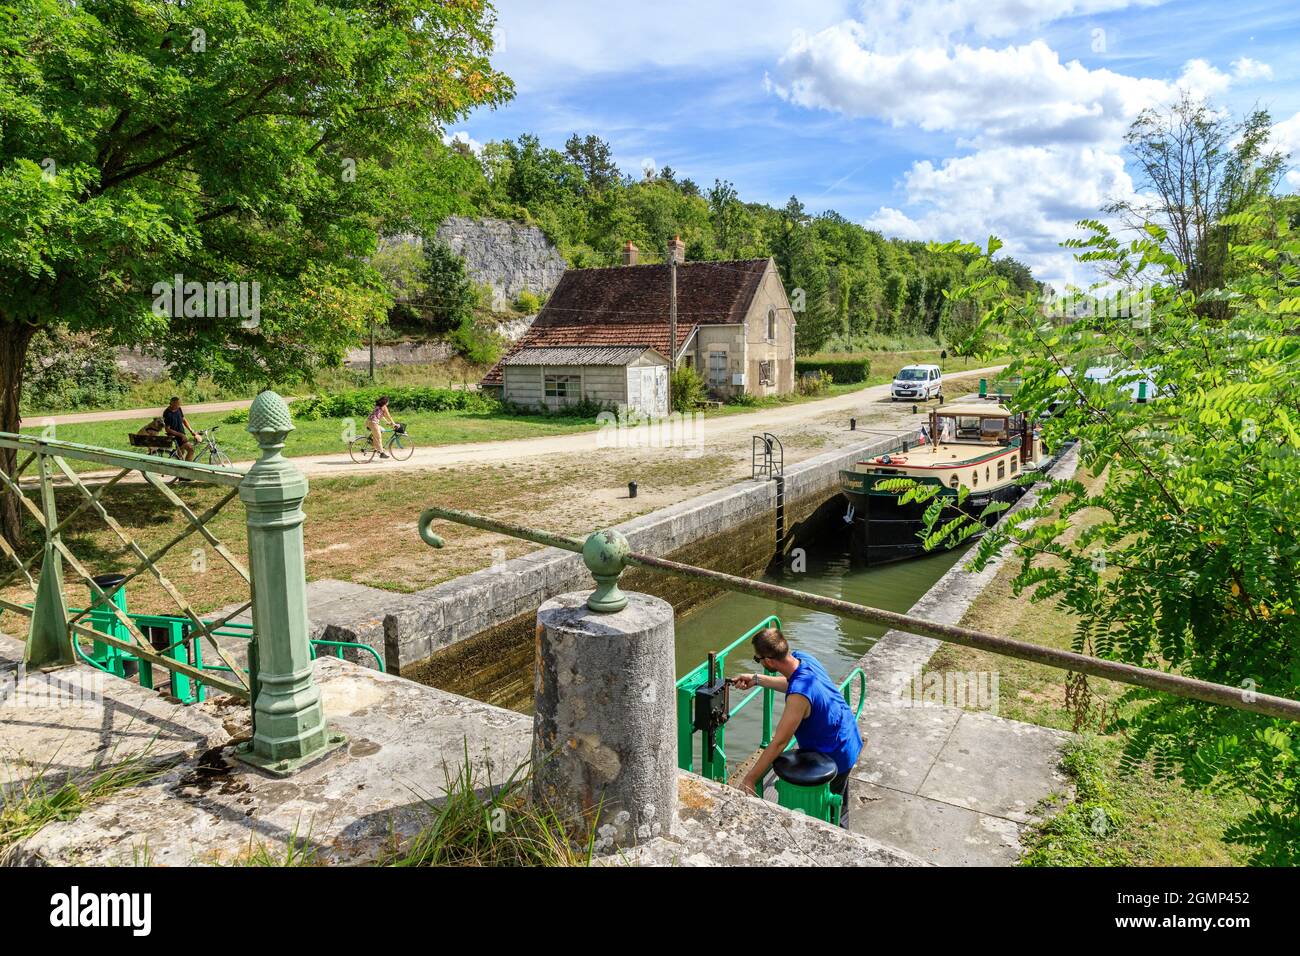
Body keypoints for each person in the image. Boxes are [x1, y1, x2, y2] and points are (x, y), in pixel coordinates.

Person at [731, 625, 863, 826]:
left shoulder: (798, 697)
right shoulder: (804, 659)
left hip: (836, 753)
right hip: (848, 737)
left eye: (757, 660)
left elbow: (779, 742)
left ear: (768, 661)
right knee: (840, 805)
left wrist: (750, 779)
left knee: (830, 816)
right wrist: (756, 680)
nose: (759, 663)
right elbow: (792, 682)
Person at [162, 397, 198, 461]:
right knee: (191, 449)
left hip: (181, 433)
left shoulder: (179, 409)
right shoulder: (167, 413)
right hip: (175, 436)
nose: (179, 405)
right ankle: (187, 467)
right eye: (177, 404)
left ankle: (180, 465)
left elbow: (183, 419)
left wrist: (191, 430)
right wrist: (181, 435)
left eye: (179, 404)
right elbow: (167, 429)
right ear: (172, 403)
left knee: (181, 454)